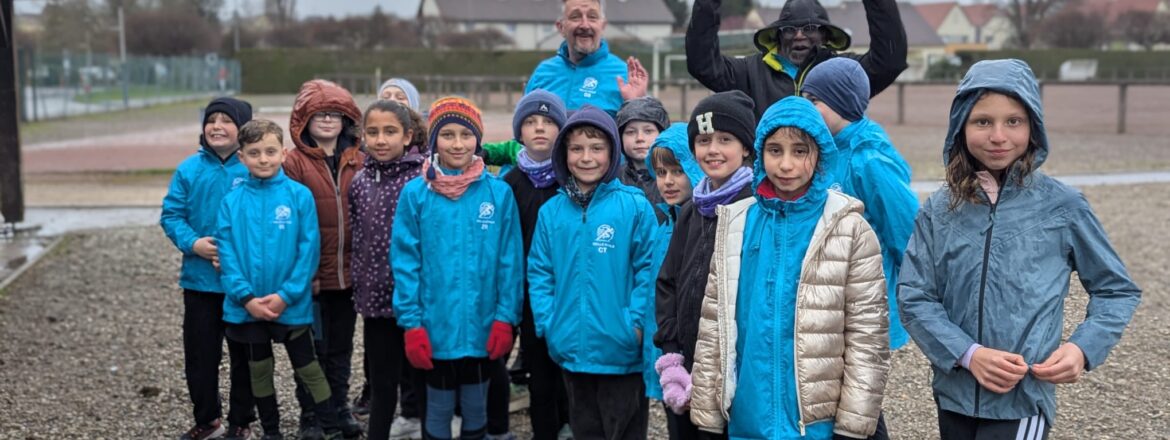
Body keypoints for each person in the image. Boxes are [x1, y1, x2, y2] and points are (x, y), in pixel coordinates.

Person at [898, 59, 1142, 440]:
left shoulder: (1064, 207)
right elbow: (914, 297)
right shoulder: (938, 209)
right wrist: (968, 353)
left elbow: (1117, 290)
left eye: (1014, 121)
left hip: (1023, 399)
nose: (998, 135)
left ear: (1034, 127)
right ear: (961, 125)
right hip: (953, 395)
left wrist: (1082, 349)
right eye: (983, 122)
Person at [689, 96, 891, 439]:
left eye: (800, 151)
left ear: (821, 154)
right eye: (774, 150)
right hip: (748, 419)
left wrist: (853, 425)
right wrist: (708, 414)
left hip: (815, 425)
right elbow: (714, 326)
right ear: (759, 153)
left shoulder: (848, 227)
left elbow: (867, 338)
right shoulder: (737, 222)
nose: (786, 165)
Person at [392, 96, 524, 440]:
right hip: (434, 327)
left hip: (482, 326)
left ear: (477, 140)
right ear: (434, 138)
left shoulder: (498, 194)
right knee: (435, 413)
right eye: (447, 134)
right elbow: (406, 262)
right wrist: (411, 324)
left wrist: (504, 318)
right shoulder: (415, 194)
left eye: (466, 135)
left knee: (476, 409)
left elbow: (509, 262)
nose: (457, 143)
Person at [527, 105, 657, 440]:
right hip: (571, 347)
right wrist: (549, 322)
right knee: (585, 429)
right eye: (577, 148)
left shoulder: (634, 205)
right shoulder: (551, 211)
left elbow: (648, 269)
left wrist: (637, 324)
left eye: (597, 148)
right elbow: (540, 272)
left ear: (612, 153)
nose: (587, 157)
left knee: (625, 431)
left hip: (622, 349)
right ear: (564, 153)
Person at [216, 119, 339, 440]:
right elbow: (226, 255)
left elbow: (308, 249)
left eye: (270, 151)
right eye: (254, 153)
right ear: (241, 157)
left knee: (309, 368)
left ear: (283, 153)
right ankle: (271, 431)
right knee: (259, 371)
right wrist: (246, 298)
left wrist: (287, 294)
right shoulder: (231, 202)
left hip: (292, 305)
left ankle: (331, 427)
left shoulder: (299, 196)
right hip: (248, 308)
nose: (263, 159)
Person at [653, 91, 757, 440]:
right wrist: (671, 352)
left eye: (725, 139)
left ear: (746, 148)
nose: (712, 149)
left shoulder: (757, 209)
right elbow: (668, 282)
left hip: (735, 369)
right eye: (703, 140)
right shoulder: (691, 211)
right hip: (687, 363)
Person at [801, 57, 916, 351]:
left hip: (869, 298)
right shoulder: (822, 148)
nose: (807, 109)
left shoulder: (869, 160)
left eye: (814, 100)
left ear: (841, 102)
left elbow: (906, 229)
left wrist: (915, 296)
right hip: (830, 297)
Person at [160, 96, 257, 440]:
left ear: (243, 127)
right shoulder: (189, 169)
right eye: (210, 119)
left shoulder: (254, 167)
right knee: (200, 356)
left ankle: (242, 420)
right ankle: (207, 419)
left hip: (244, 284)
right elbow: (171, 215)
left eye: (226, 120)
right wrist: (194, 244)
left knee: (245, 356)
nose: (217, 126)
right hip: (200, 282)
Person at [284, 79, 365, 439]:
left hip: (348, 275)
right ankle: (312, 415)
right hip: (310, 277)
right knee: (312, 349)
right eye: (319, 114)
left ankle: (339, 408)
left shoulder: (359, 160)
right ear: (304, 120)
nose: (328, 120)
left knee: (342, 348)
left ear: (347, 119)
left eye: (335, 114)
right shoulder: (293, 164)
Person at [348, 100, 426, 440]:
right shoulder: (359, 183)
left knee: (421, 380)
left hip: (414, 303)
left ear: (407, 136)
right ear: (363, 136)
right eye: (373, 132)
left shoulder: (423, 179)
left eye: (390, 132)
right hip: (376, 303)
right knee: (382, 384)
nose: (381, 140)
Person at [685, 0, 907, 118]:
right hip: (770, 188)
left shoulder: (845, 73)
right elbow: (702, 63)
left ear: (825, 35)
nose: (799, 35)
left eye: (810, 28)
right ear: (778, 36)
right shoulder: (750, 72)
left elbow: (889, 60)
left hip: (832, 187)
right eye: (790, 29)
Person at [501, 89, 573, 440]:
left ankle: (569, 425)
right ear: (519, 132)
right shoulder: (509, 184)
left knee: (566, 370)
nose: (540, 128)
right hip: (525, 293)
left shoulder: (572, 181)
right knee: (538, 372)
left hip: (567, 290)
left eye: (548, 121)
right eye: (531, 122)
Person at [643, 122, 702, 421]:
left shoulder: (701, 225)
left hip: (693, 357)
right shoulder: (664, 224)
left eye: (677, 171)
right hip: (668, 355)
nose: (667, 181)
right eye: (661, 172)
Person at [525, 0, 647, 117]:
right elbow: (523, 130)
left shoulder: (624, 76)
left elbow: (642, 132)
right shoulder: (542, 74)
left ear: (602, 26)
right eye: (575, 17)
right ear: (561, 27)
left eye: (592, 17)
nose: (584, 25)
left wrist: (637, 105)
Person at [615, 96, 671, 204]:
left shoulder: (676, 178)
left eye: (648, 131)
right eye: (631, 132)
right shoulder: (613, 179)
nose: (640, 138)